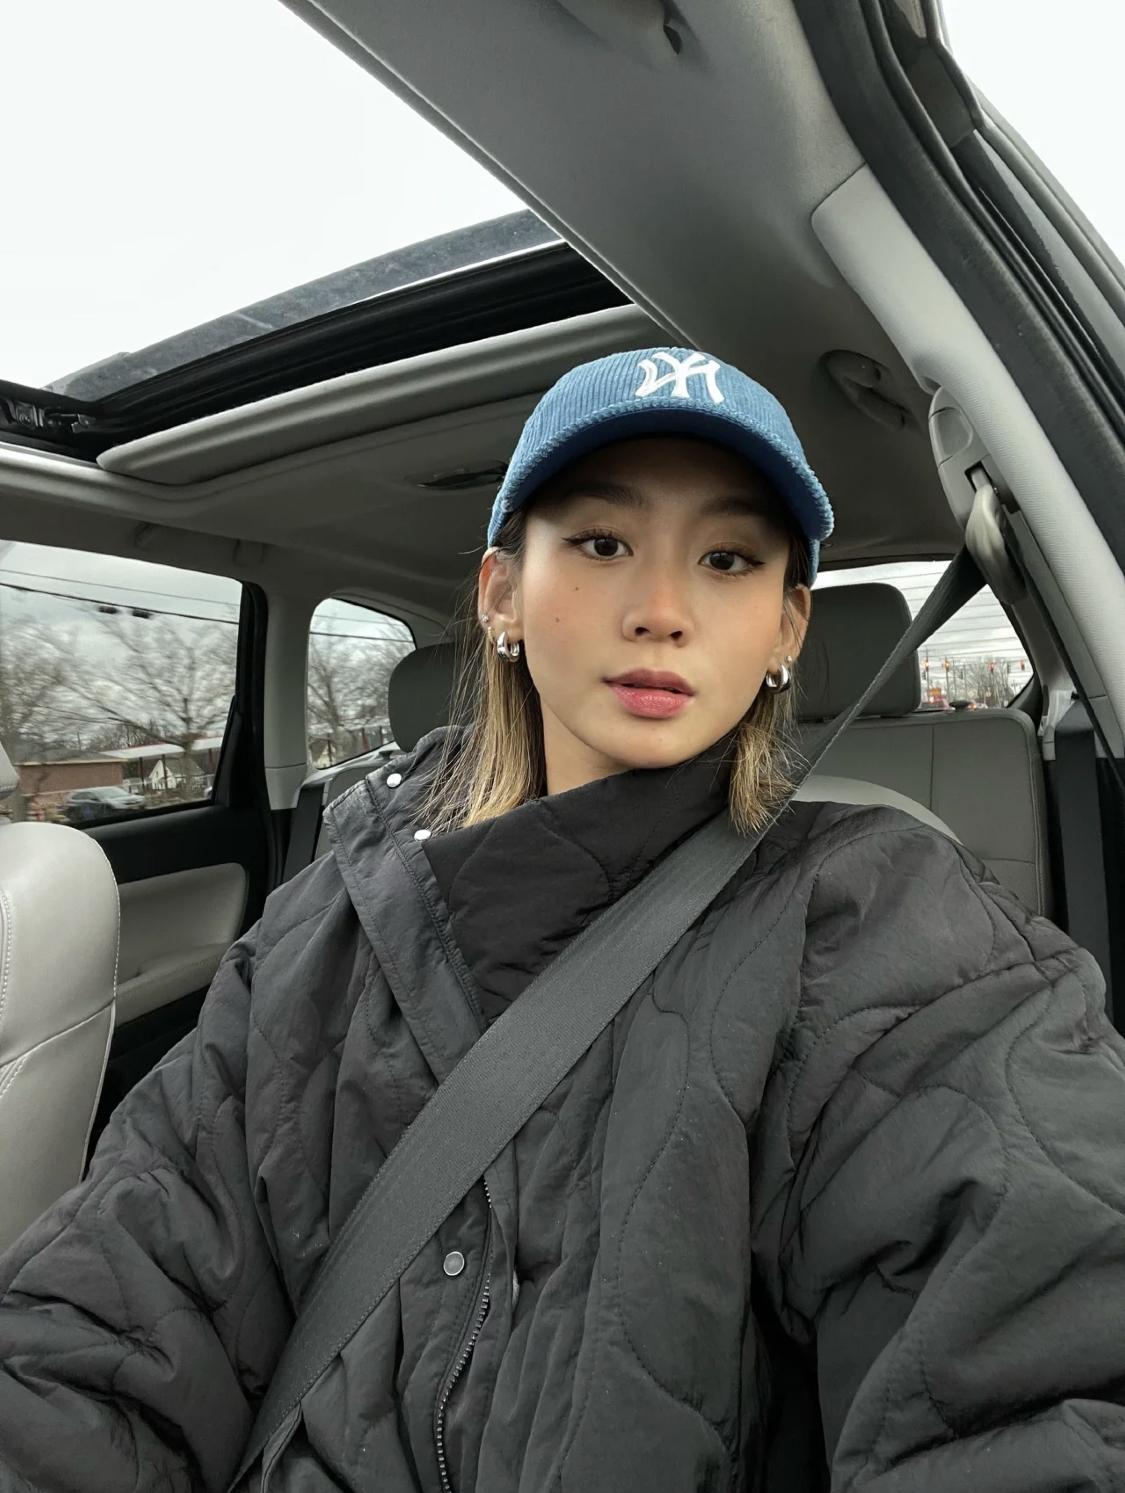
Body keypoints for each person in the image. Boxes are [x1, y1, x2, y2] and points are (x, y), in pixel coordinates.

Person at [0, 347, 1122, 1493]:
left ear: (788, 626)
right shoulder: (323, 923)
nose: (662, 611)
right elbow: (105, 1314)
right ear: (502, 593)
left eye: (728, 559)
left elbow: (1043, 1355)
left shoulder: (891, 926)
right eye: (600, 543)